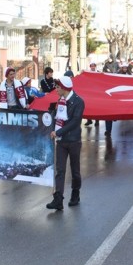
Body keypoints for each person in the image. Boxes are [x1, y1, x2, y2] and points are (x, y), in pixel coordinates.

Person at [46, 76, 85, 210]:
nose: (56, 89)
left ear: (64, 87)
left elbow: (75, 122)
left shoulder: (79, 101)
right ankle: (58, 199)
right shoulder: (60, 101)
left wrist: (59, 132)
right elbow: (57, 118)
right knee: (60, 170)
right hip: (62, 141)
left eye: (58, 87)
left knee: (75, 171)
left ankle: (75, 193)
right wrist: (53, 130)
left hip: (73, 141)